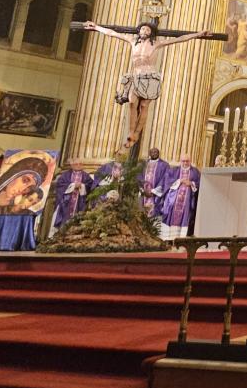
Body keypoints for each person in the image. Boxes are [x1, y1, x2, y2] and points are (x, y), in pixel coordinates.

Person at [81, 20, 210, 155]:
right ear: (139, 31)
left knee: (143, 106)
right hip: (136, 76)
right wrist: (96, 27)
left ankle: (136, 134)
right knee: (131, 102)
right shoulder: (132, 41)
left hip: (150, 77)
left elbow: (180, 39)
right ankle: (131, 131)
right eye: (142, 29)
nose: (144, 31)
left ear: (151, 33)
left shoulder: (157, 44)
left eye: (147, 30)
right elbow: (112, 33)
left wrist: (198, 34)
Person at [159, 155, 200, 241]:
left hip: (187, 201)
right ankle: (168, 238)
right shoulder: (174, 170)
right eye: (183, 161)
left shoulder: (195, 171)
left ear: (190, 161)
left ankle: (181, 238)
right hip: (173, 199)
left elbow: (199, 183)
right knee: (171, 214)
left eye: (187, 161)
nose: (185, 163)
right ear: (180, 161)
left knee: (185, 216)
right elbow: (167, 181)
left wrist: (191, 183)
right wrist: (180, 181)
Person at [52, 159, 93, 228]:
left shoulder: (86, 176)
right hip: (67, 201)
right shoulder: (65, 175)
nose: (78, 165)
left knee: (78, 219)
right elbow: (60, 185)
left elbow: (90, 185)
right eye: (76, 164)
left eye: (80, 164)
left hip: (80, 201)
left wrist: (82, 186)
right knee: (65, 220)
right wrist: (73, 185)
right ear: (72, 165)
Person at [141, 148, 170, 216]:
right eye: (152, 152)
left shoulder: (164, 165)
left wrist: (153, 191)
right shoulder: (144, 164)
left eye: (156, 152)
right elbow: (139, 176)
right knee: (142, 214)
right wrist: (143, 190)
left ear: (159, 153)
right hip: (144, 193)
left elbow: (165, 179)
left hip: (156, 193)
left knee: (153, 216)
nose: (154, 153)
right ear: (149, 153)